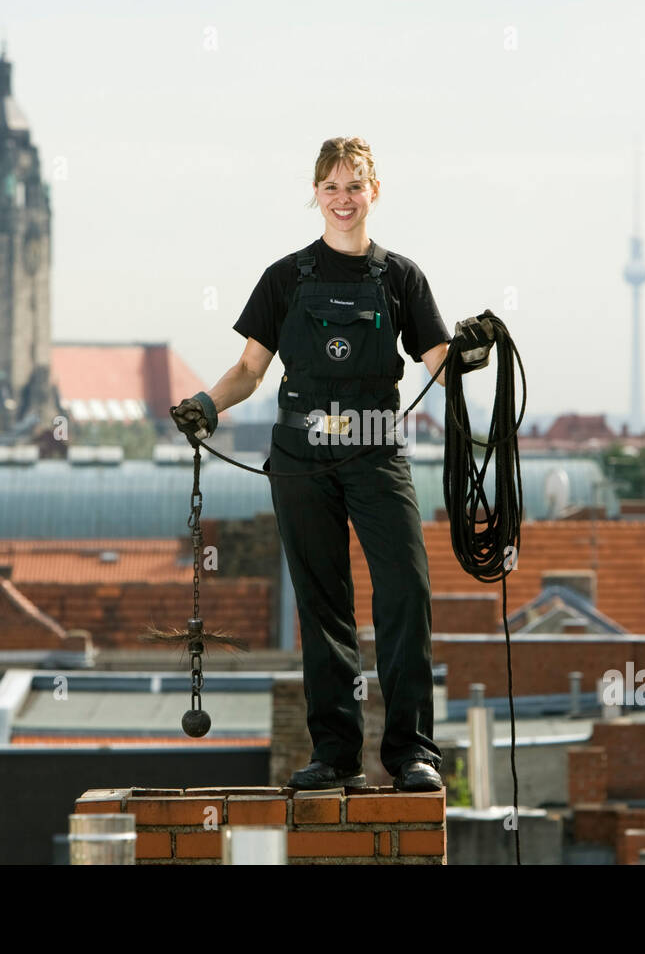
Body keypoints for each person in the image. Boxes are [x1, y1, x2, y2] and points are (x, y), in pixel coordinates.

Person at [171, 137, 494, 792]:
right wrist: (206, 403)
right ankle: (335, 752)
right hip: (300, 458)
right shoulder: (285, 278)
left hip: (377, 453)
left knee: (405, 591)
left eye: (355, 187)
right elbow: (249, 371)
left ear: (375, 192)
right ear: (315, 194)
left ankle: (411, 754)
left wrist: (472, 351)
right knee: (323, 603)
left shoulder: (400, 278)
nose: (343, 200)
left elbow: (438, 364)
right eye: (331, 187)